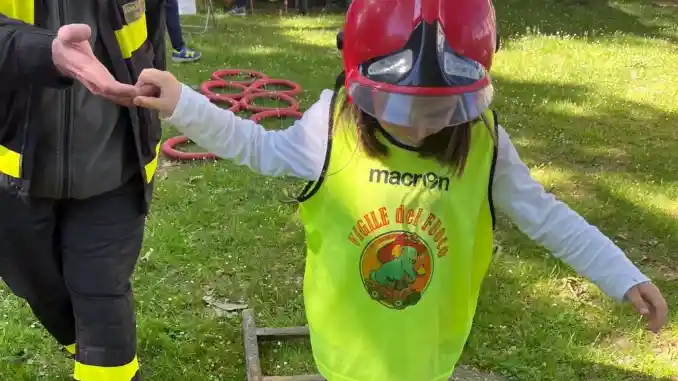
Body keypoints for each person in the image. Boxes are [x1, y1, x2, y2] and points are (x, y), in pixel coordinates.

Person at [133, 0, 669, 380]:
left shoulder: (484, 144)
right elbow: (259, 148)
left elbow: (547, 217)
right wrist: (184, 104)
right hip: (344, 351)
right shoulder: (333, 124)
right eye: (399, 108)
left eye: (439, 111)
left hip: (428, 354)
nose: (418, 126)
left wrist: (622, 275)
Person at [0, 1, 165, 380]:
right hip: (13, 177)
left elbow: (149, 35)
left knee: (102, 299)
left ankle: (104, 356)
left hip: (113, 169)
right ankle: (86, 342)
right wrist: (44, 52)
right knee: (42, 291)